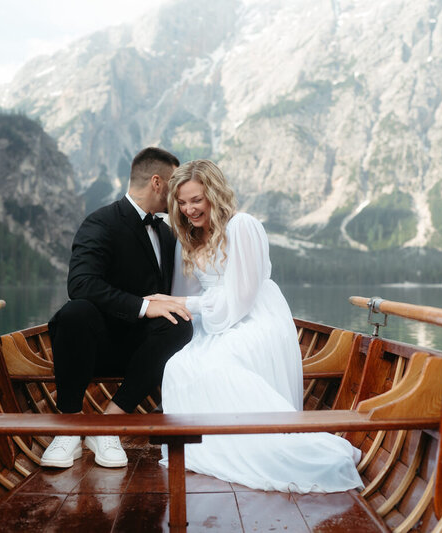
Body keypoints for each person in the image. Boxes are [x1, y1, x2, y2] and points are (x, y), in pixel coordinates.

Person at [146, 159, 363, 492]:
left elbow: (241, 297)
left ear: (214, 195)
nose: (189, 208)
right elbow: (184, 297)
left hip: (255, 319)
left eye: (196, 199)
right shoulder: (189, 239)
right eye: (182, 201)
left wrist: (178, 303)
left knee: (219, 367)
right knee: (178, 366)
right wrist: (169, 308)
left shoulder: (242, 226)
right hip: (214, 322)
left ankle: (275, 450)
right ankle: (209, 448)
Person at [43, 147, 193, 469]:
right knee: (74, 313)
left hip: (144, 352)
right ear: (157, 182)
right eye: (175, 183)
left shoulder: (167, 233)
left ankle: (107, 425)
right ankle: (68, 427)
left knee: (180, 324)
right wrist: (142, 306)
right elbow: (80, 284)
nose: (179, 193)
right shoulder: (101, 222)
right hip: (97, 346)